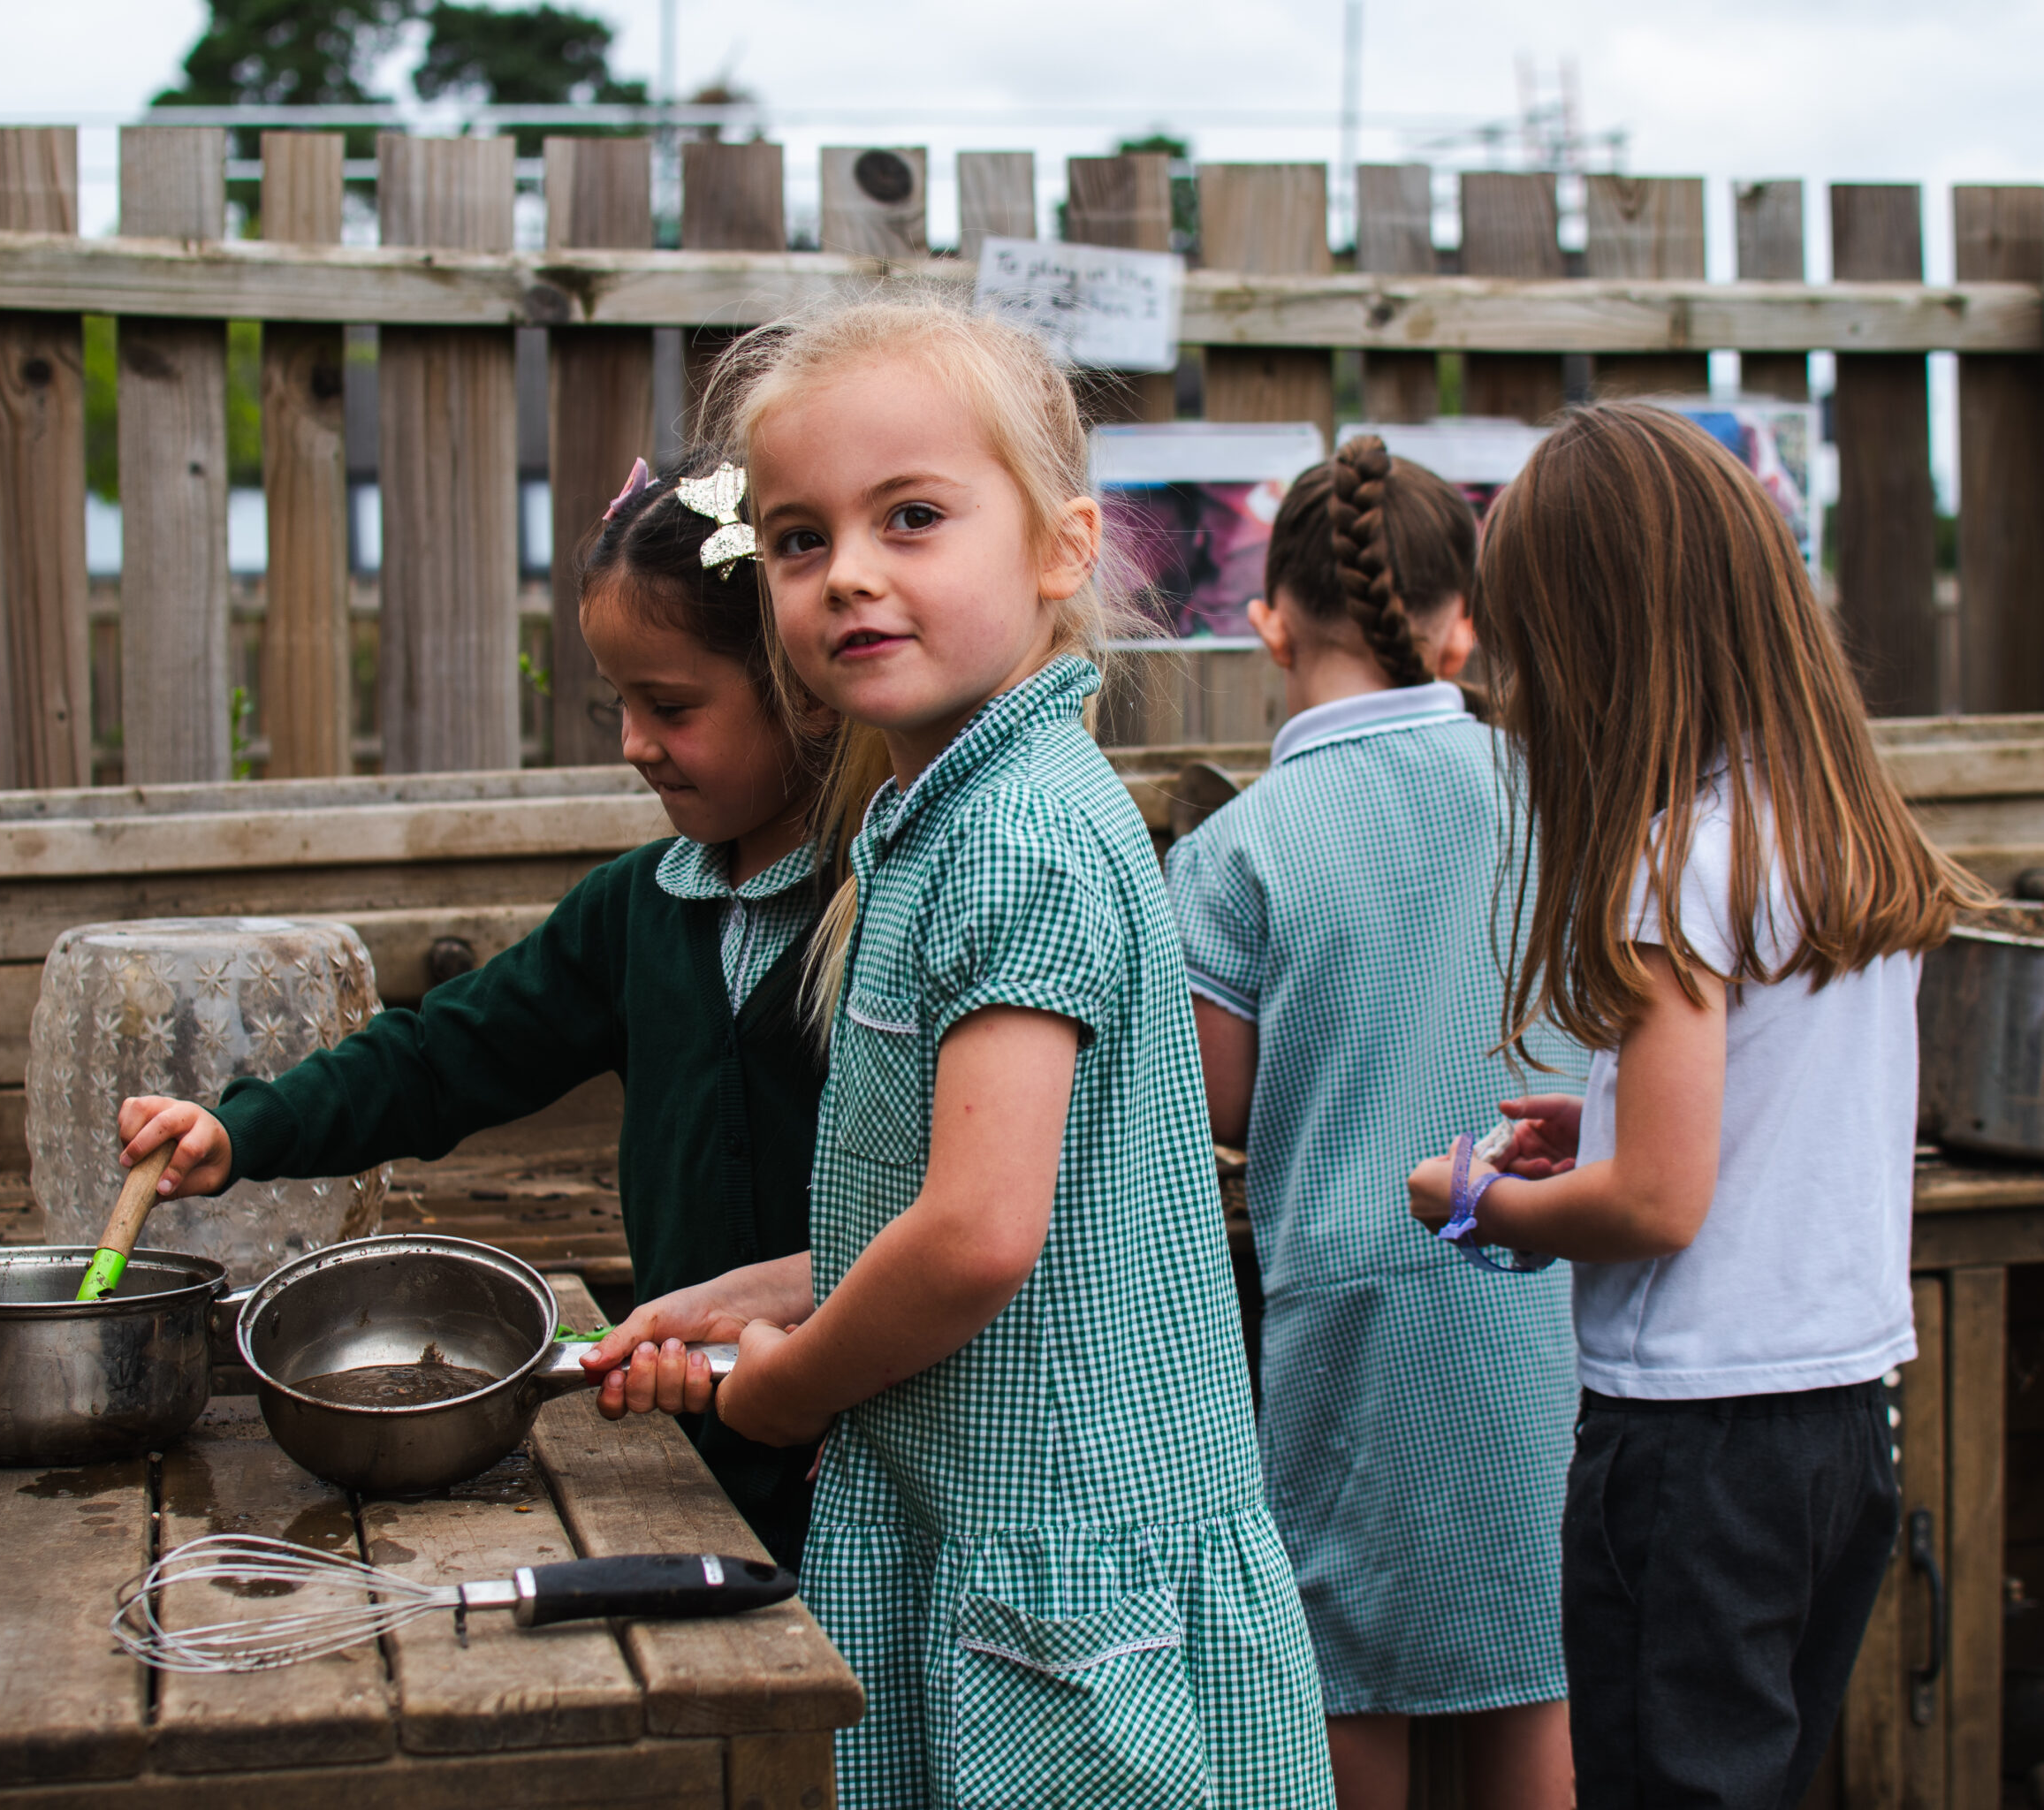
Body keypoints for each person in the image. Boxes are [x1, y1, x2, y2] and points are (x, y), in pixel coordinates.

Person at [582, 297, 1334, 1809]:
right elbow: (990, 1211)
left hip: (1065, 1604)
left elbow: (983, 1235)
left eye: (911, 516)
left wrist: (784, 1393)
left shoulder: (1019, 838)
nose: (848, 569)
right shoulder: (951, 813)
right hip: (998, 1541)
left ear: (1060, 549)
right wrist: (776, 1291)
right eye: (799, 538)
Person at [114, 452, 853, 1568]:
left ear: (804, 686)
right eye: (619, 705)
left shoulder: (892, 909)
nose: (633, 743)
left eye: (671, 706)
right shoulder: (638, 911)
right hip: (701, 1419)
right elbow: (443, 1056)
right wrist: (243, 1127)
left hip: (870, 1429)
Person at [1408, 401, 1987, 1807]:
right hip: (1843, 1419)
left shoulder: (1675, 863)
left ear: (1599, 635)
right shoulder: (1839, 828)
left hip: (1693, 1443)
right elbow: (1753, 1115)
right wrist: (1591, 1119)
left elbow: (1660, 1204)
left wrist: (1484, 1202)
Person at [1167, 436, 1583, 1810]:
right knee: (1538, 1670)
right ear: (1461, 623)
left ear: (1267, 621)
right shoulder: (1563, 796)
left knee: (1346, 1686)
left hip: (1358, 1312)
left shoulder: (1241, 847)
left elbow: (1216, 1100)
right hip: (1558, 1290)